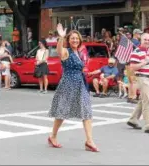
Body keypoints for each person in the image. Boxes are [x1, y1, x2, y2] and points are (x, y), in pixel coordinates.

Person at [48, 23, 99, 152]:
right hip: (68, 84)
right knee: (62, 111)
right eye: (72, 38)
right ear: (68, 40)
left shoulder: (80, 53)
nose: (75, 40)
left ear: (80, 40)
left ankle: (89, 141)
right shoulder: (67, 52)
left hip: (81, 84)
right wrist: (61, 37)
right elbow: (59, 51)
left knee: (86, 111)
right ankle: (53, 136)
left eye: (77, 38)